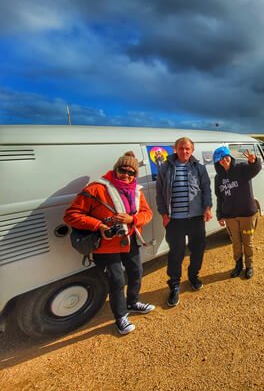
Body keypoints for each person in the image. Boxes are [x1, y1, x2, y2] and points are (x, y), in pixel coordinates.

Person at [64, 151, 154, 335]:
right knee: (116, 280)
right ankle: (120, 316)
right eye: (123, 170)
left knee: (136, 271)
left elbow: (147, 213)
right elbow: (71, 215)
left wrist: (132, 219)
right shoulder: (96, 189)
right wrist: (98, 225)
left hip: (129, 239)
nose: (127, 175)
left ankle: (133, 301)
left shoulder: (136, 191)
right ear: (116, 169)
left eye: (131, 173)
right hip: (106, 245)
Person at [156, 137, 212, 307]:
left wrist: (207, 207)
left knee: (197, 250)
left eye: (187, 148)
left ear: (192, 150)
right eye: (181, 148)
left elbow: (206, 190)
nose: (184, 151)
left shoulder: (199, 168)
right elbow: (159, 193)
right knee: (176, 253)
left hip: (195, 219)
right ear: (175, 149)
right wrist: (164, 214)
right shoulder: (165, 167)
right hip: (175, 221)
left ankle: (193, 276)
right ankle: (174, 284)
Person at [213, 146, 262, 279]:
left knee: (248, 241)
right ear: (217, 162)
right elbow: (220, 198)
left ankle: (249, 266)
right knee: (235, 242)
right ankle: (238, 265)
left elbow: (255, 169)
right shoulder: (218, 178)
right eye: (220, 159)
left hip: (247, 214)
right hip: (230, 217)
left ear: (230, 156)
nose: (224, 160)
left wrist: (254, 161)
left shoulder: (242, 169)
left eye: (226, 156)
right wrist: (220, 215)